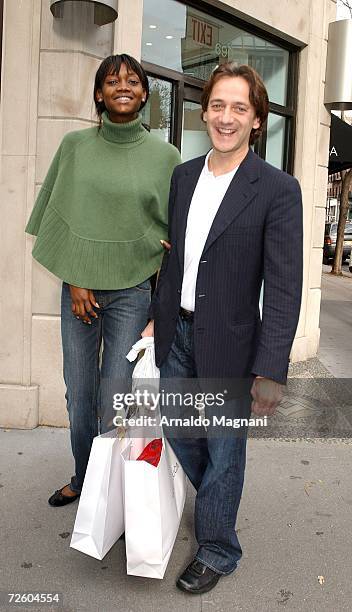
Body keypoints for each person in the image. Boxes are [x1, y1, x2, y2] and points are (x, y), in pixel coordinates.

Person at [142, 63, 303, 594]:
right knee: (182, 431)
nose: (226, 117)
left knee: (226, 449)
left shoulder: (278, 190)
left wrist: (270, 368)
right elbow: (179, 259)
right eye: (217, 105)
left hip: (233, 345)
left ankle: (217, 547)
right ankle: (216, 498)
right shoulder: (183, 176)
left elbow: (282, 288)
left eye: (239, 107)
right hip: (177, 335)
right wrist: (155, 316)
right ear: (204, 110)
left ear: (257, 119)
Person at [26, 54, 181, 506]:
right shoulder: (75, 146)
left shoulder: (165, 156)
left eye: (133, 80)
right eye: (113, 80)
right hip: (79, 291)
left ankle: (104, 493)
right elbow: (62, 218)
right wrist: (75, 279)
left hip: (133, 292)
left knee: (113, 400)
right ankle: (83, 475)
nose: (123, 86)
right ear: (99, 93)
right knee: (79, 397)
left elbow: (173, 226)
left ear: (146, 94)